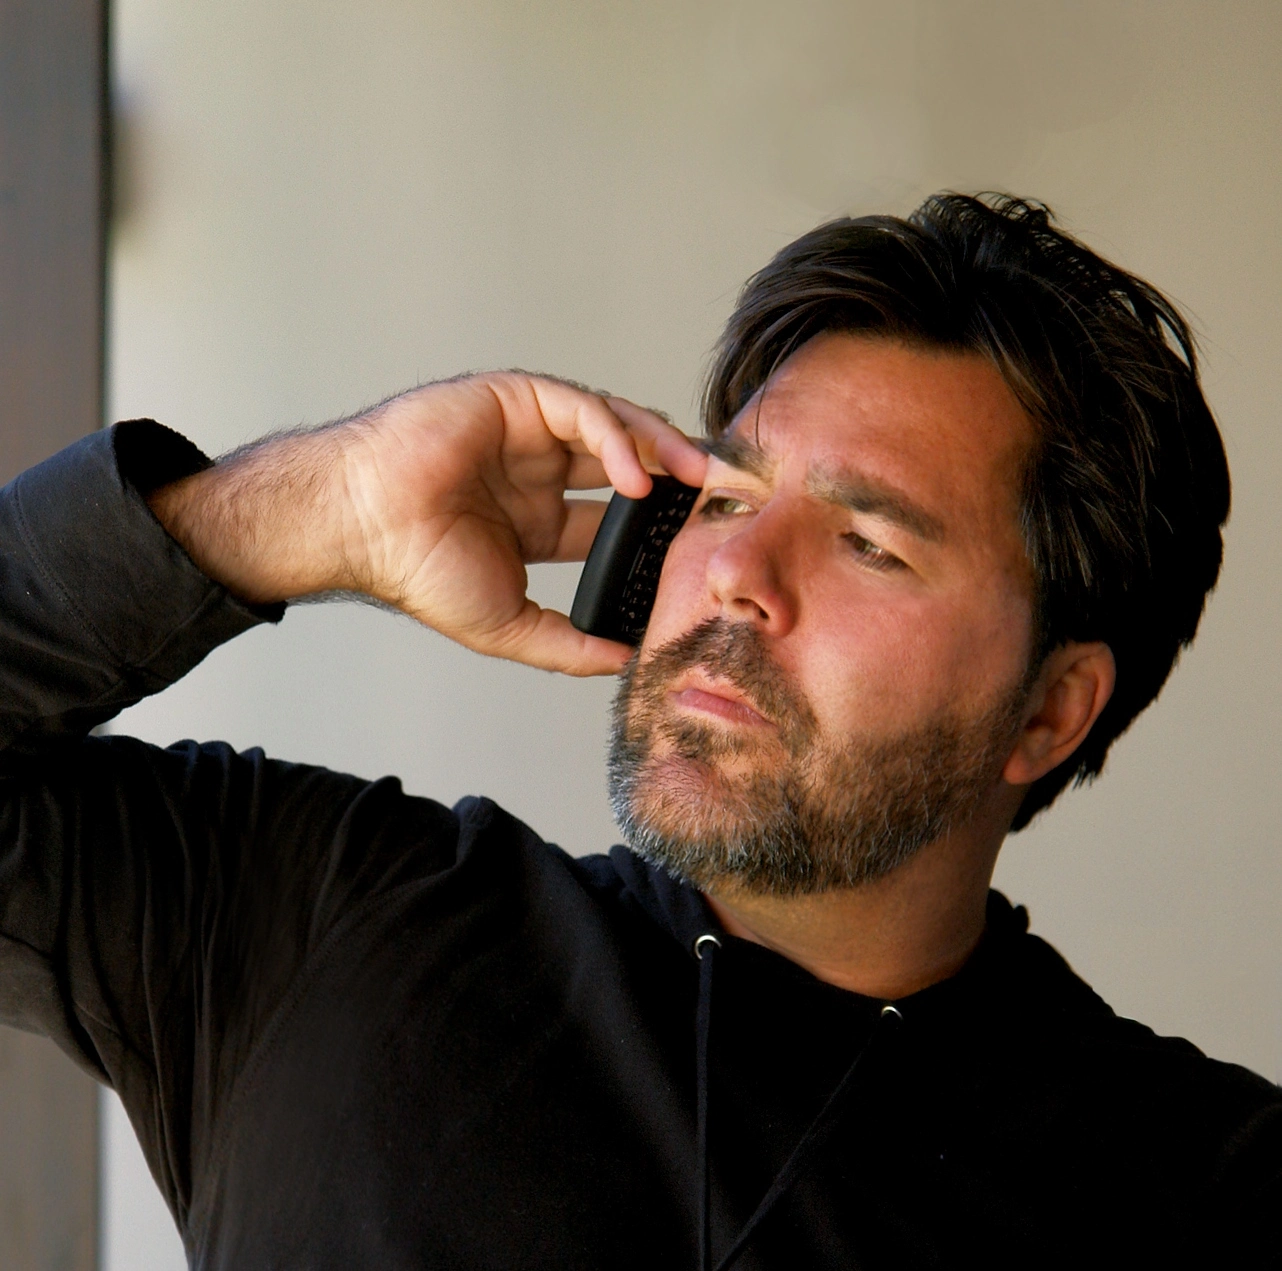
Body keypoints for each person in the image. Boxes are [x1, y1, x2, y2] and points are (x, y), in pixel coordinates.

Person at [0, 194, 1277, 1269]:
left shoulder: (1210, 1195)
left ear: (1048, 709)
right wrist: (311, 507)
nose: (735, 576)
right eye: (725, 497)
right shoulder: (320, 922)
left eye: (868, 544)